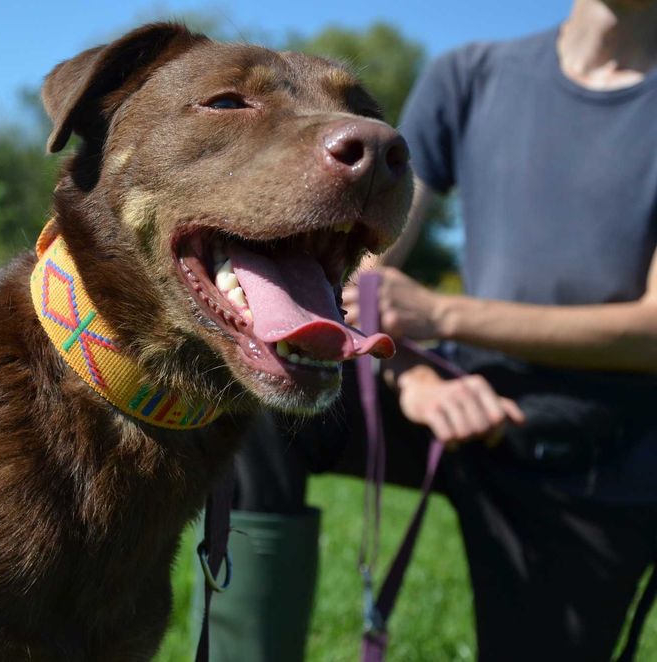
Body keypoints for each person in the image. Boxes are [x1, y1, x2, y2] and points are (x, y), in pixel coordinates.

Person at [200, 1, 657, 660]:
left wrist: (443, 317)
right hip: (447, 396)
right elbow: (367, 272)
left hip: (592, 453)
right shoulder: (470, 74)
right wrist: (408, 371)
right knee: (264, 388)